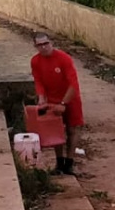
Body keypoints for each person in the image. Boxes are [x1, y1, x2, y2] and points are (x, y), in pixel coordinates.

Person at [29, 32, 84, 175]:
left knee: (72, 130)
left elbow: (73, 84)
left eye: (46, 43)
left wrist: (63, 103)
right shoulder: (35, 61)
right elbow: (38, 81)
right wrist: (41, 97)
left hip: (70, 98)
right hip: (52, 100)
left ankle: (69, 162)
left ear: (51, 42)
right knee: (56, 130)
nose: (44, 47)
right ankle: (59, 162)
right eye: (40, 45)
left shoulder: (64, 58)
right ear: (35, 46)